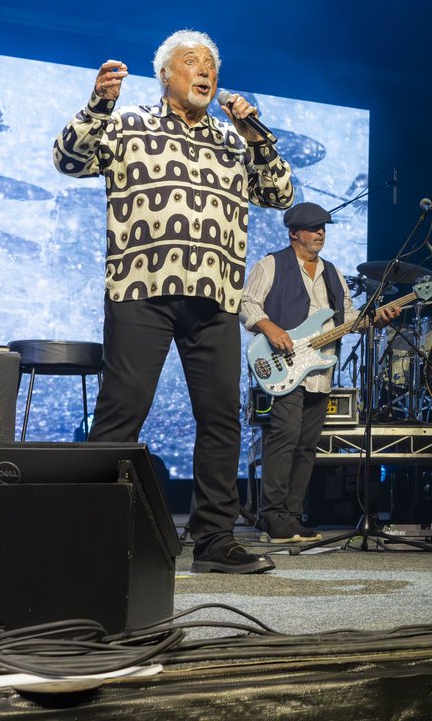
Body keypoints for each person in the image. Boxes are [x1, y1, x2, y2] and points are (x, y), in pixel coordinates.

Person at [54, 29, 294, 574]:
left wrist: (254, 132)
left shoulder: (233, 140)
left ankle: (213, 540)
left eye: (211, 62)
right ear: (166, 74)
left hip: (213, 298)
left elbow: (280, 194)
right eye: (192, 61)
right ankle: (92, 534)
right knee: (123, 412)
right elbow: (68, 159)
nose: (204, 69)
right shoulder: (129, 123)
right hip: (143, 289)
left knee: (221, 420)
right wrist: (98, 104)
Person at [240, 202, 399, 544]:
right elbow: (248, 303)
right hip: (283, 365)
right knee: (284, 436)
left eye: (323, 228)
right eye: (313, 228)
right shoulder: (272, 264)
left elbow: (351, 319)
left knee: (307, 444)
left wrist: (377, 318)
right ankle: (272, 516)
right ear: (294, 233)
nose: (320, 233)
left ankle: (293, 516)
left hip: (319, 369)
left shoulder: (332, 272)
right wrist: (271, 328)